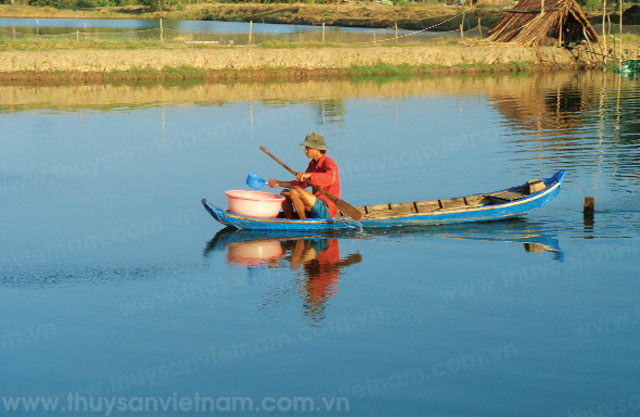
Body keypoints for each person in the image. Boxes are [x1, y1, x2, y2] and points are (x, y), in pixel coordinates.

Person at [268, 132, 340, 220]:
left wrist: (309, 175)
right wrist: (278, 183)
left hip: (326, 208)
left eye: (307, 147)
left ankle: (303, 221)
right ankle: (290, 221)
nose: (305, 150)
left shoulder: (329, 163)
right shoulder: (312, 165)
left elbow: (330, 178)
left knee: (295, 191)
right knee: (284, 193)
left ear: (316, 148)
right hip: (313, 205)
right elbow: (301, 184)